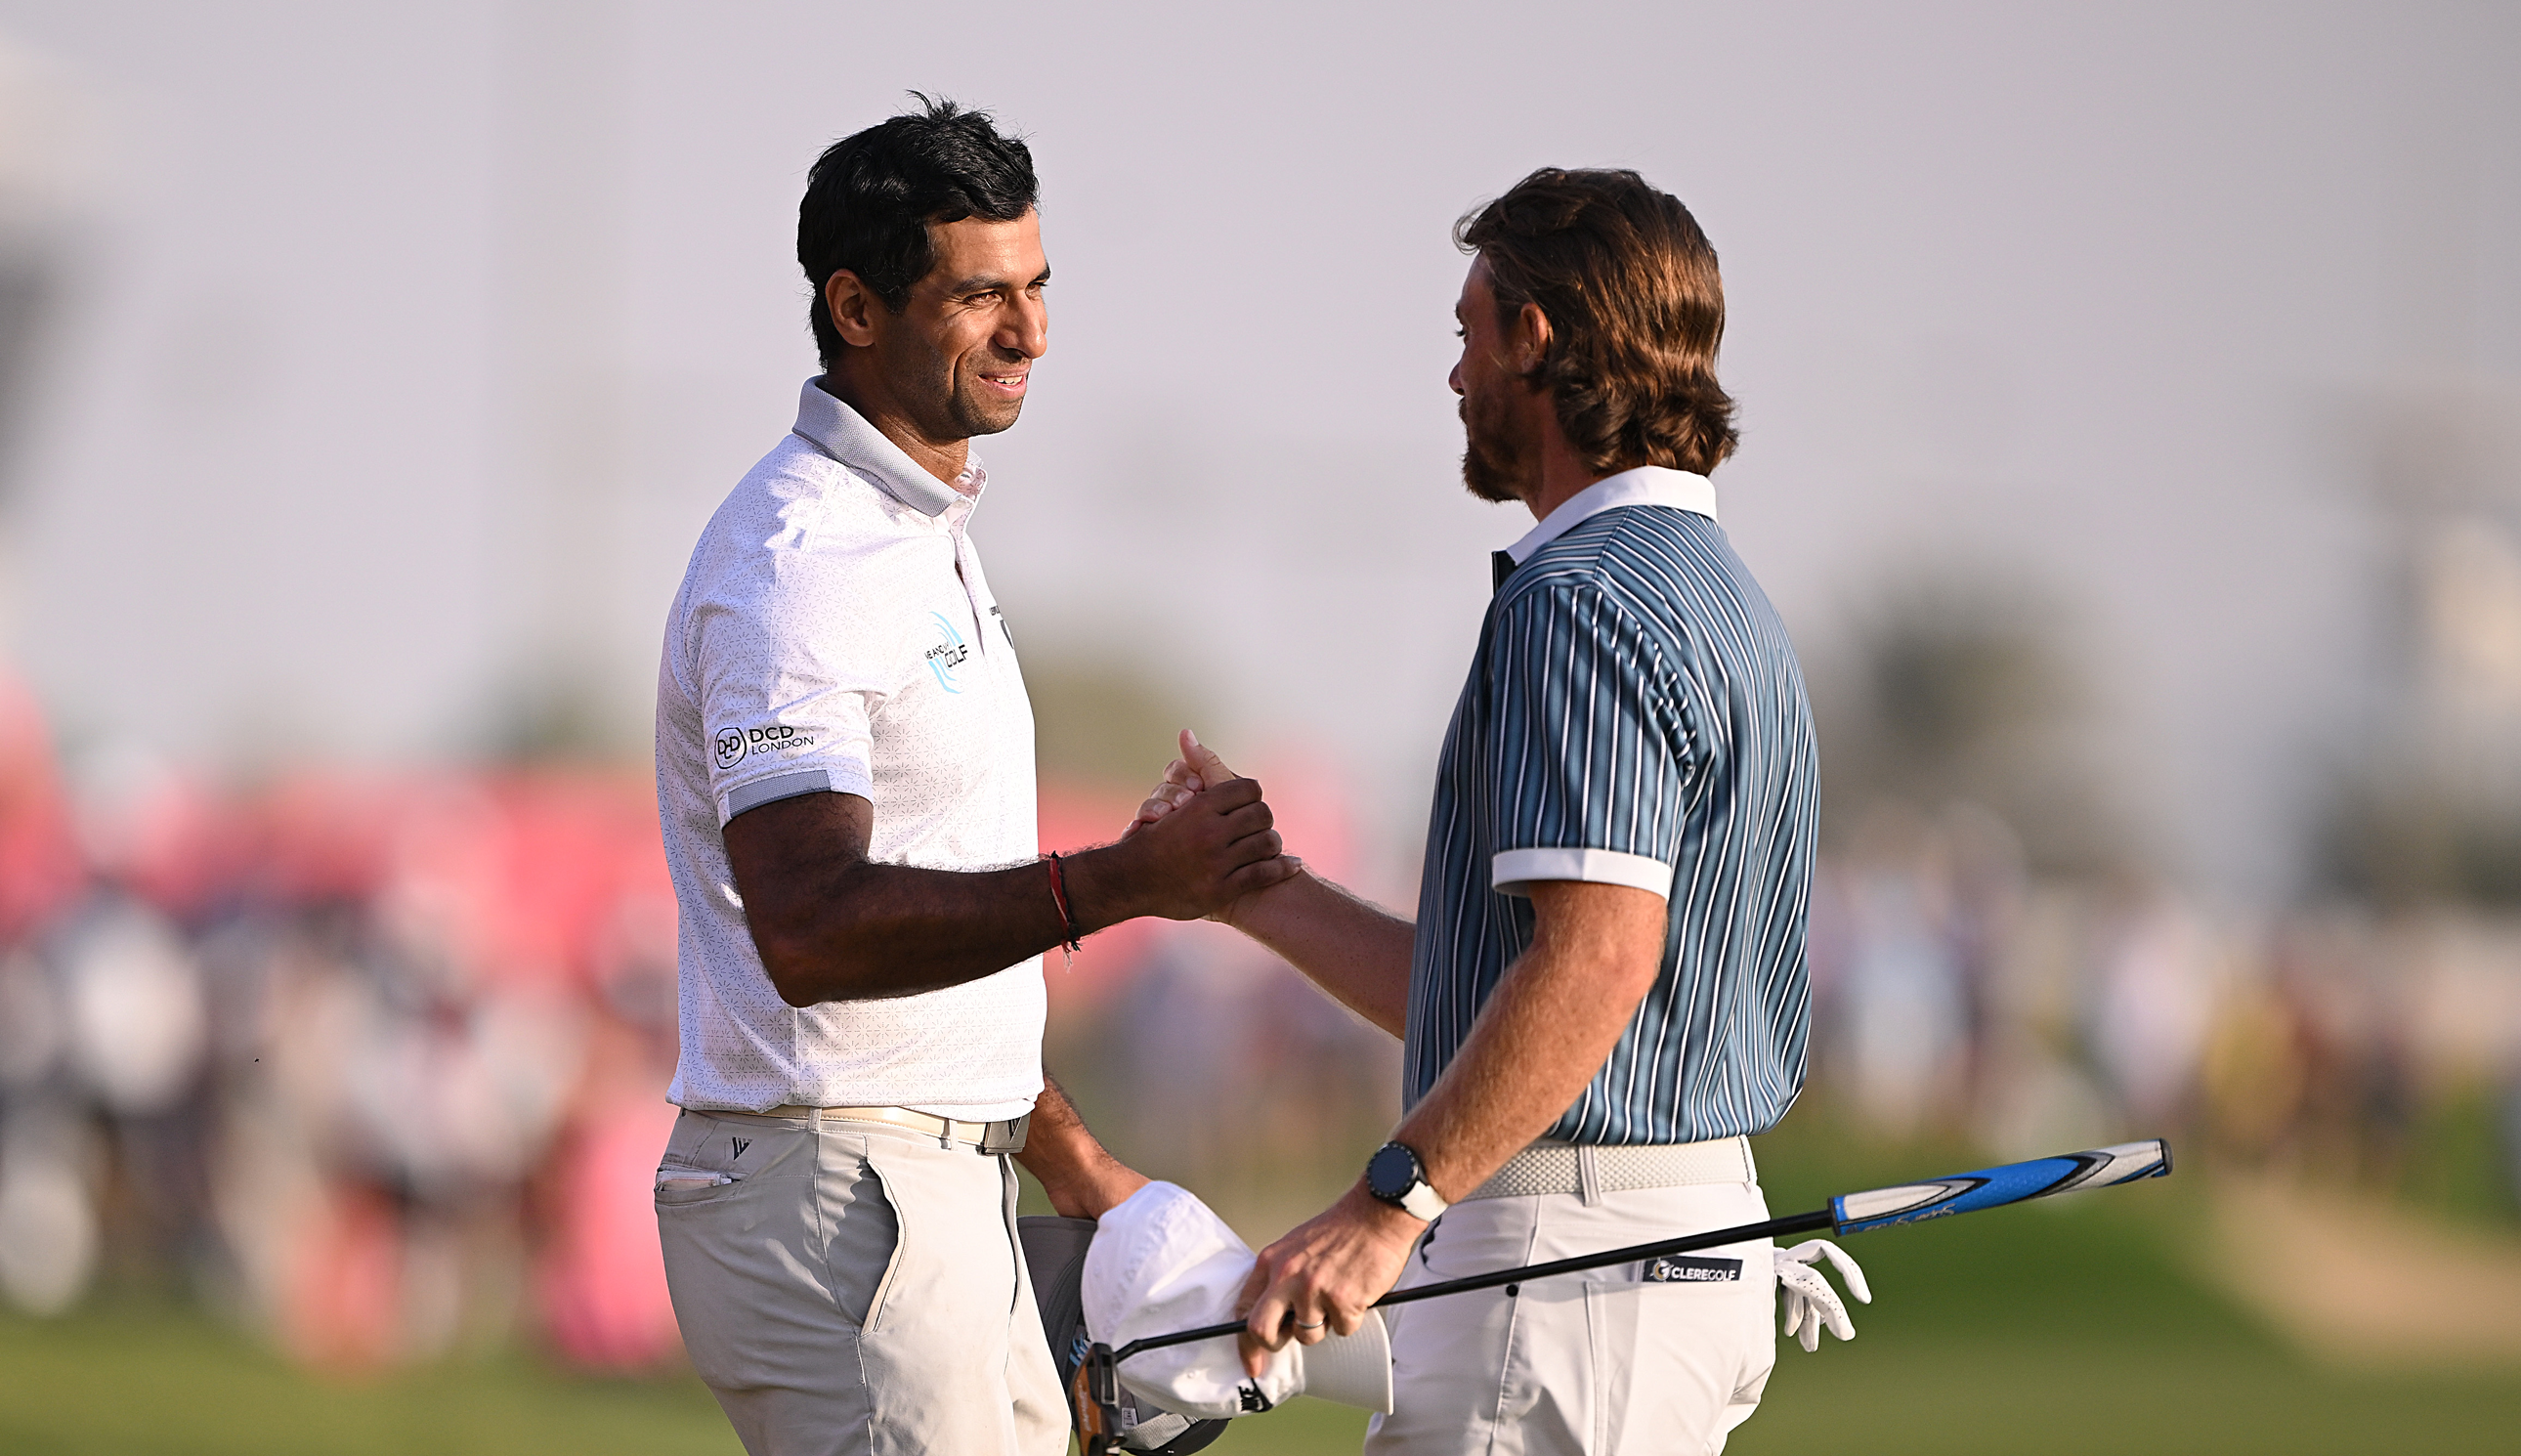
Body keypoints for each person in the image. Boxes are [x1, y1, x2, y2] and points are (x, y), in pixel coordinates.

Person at [1136, 168, 1837, 1452]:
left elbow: (1597, 959)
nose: (1455, 376)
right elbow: (1504, 1001)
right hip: (1649, 1258)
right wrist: (1260, 887)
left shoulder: (1582, 599)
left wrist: (1388, 1200)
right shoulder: (1724, 594)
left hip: (1570, 1266)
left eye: (1468, 332)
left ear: (1538, 335)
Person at [650, 97, 1296, 1456]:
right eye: (980, 296)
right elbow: (813, 926)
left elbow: (931, 939)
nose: (1032, 333)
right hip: (836, 1194)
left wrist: (1072, 1160)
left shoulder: (919, 528)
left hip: (929, 1182)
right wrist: (1125, 881)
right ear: (857, 307)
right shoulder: (804, 561)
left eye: (1039, 288)